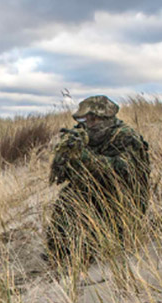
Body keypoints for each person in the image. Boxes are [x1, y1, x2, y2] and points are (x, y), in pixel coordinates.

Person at [46, 95, 150, 263]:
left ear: (106, 119)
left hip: (122, 201)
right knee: (68, 199)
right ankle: (61, 251)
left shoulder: (126, 137)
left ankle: (95, 250)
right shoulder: (82, 135)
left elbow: (123, 172)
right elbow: (65, 175)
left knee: (103, 240)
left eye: (92, 120)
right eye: (83, 119)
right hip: (95, 194)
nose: (86, 125)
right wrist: (65, 154)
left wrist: (84, 156)